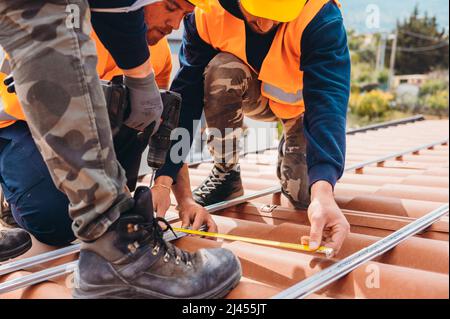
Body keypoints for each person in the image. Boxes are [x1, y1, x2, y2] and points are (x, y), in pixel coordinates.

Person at [0, 0, 241, 299]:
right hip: (21, 129)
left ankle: (108, 221)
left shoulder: (158, 54)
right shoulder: (74, 28)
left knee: (137, 127)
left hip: (89, 145)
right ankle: (10, 199)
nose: (175, 25)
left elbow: (164, 130)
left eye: (184, 16)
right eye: (170, 7)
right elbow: (56, 118)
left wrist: (185, 199)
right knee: (55, 221)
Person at [154, 0, 351, 255]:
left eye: (276, 17)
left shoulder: (320, 17)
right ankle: (226, 173)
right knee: (221, 70)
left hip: (301, 110)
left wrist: (323, 191)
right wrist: (164, 178)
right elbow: (185, 101)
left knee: (303, 197)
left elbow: (328, 102)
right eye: (257, 14)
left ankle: (293, 141)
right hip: (253, 93)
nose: (265, 24)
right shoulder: (207, 14)